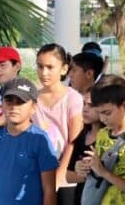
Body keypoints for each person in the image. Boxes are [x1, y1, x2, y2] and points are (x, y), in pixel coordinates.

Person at [0, 78, 58, 205]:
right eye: (9, 101)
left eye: (20, 102)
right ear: (2, 104)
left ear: (33, 107)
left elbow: (49, 189)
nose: (14, 107)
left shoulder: (40, 140)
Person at [74, 75, 125, 205]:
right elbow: (96, 169)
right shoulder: (103, 134)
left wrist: (104, 173)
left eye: (107, 113)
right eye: (99, 113)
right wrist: (83, 167)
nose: (102, 119)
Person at [33, 44, 83, 204]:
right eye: (40, 66)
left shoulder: (73, 98)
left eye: (50, 67)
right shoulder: (32, 99)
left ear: (63, 69)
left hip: (65, 174)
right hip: (36, 172)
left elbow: (74, 141)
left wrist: (60, 175)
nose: (44, 72)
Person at [66, 87, 103, 204]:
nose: (85, 109)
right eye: (84, 104)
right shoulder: (82, 135)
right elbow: (68, 176)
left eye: (91, 105)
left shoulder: (110, 138)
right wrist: (80, 172)